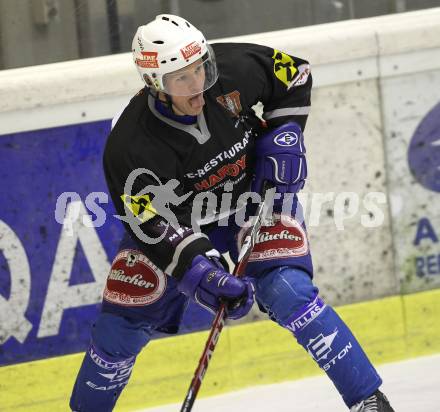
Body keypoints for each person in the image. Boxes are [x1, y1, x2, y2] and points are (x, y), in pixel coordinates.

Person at [70, 14, 395, 412]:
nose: (198, 88)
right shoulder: (130, 144)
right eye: (181, 80)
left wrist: (285, 135)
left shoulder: (235, 67)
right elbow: (147, 221)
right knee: (122, 320)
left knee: (287, 289)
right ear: (154, 84)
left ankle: (370, 403)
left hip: (252, 199)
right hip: (181, 221)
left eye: (201, 70)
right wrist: (198, 271)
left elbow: (295, 75)